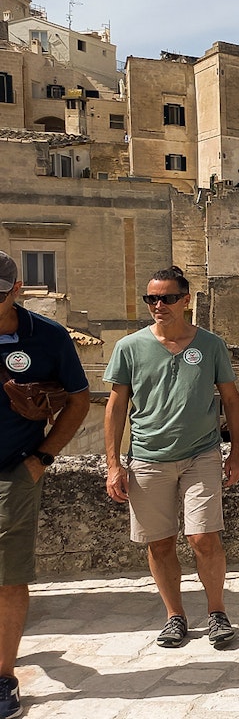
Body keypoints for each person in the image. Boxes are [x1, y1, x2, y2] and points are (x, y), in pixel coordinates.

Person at [104, 266, 239, 650]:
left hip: (201, 454)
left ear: (185, 300)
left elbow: (231, 399)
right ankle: (174, 616)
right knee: (160, 543)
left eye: (166, 298)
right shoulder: (129, 347)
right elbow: (116, 406)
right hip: (148, 457)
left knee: (204, 538)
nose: (158, 305)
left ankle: (217, 613)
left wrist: (235, 452)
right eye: (152, 298)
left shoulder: (211, 345)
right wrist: (113, 465)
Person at [0, 252, 91, 719]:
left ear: (16, 291)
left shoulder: (48, 336)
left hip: (13, 470)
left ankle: (3, 677)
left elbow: (79, 399)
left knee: (8, 576)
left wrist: (43, 458)